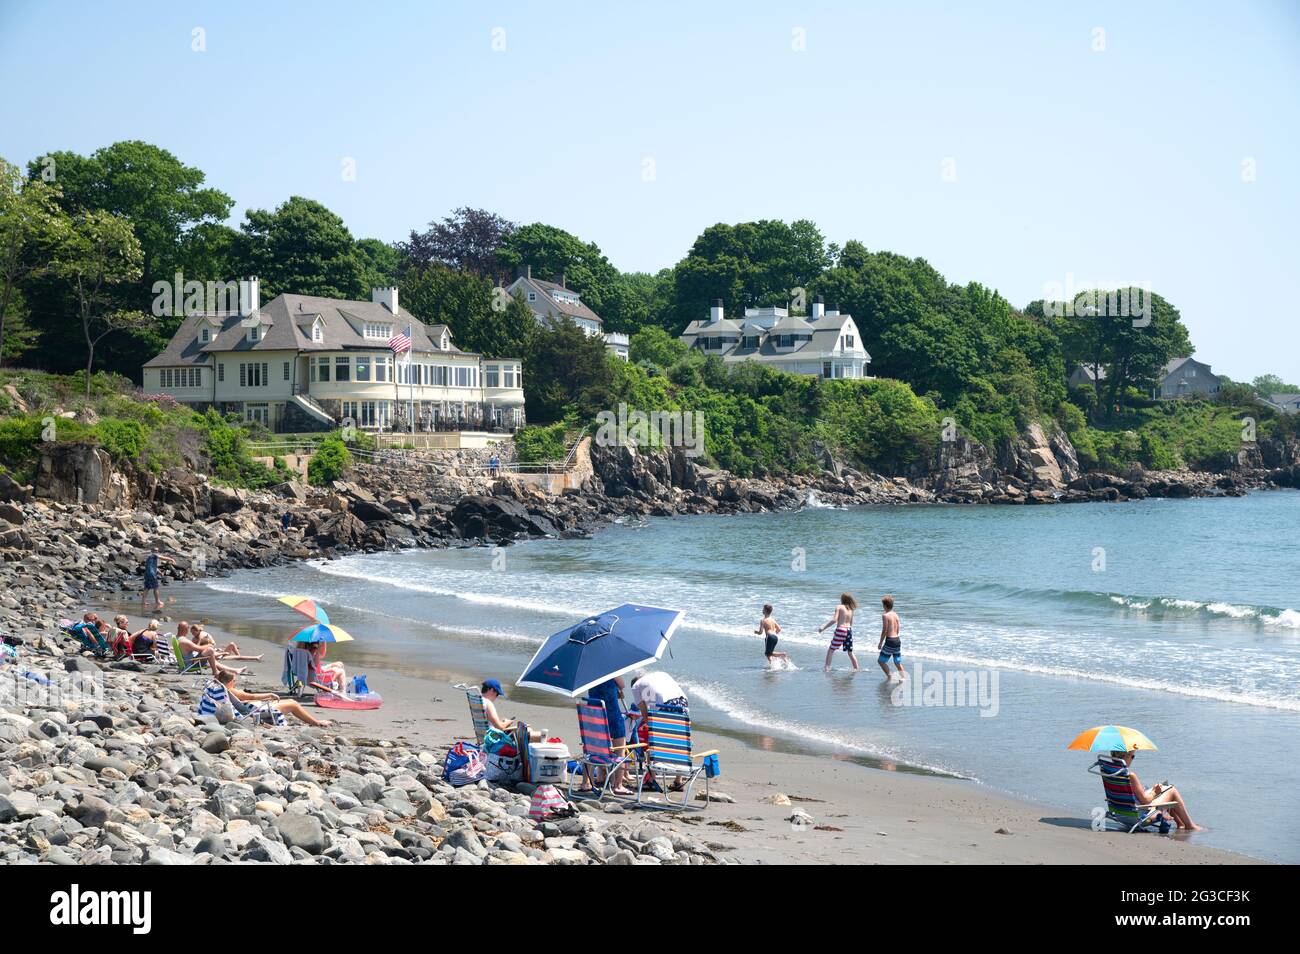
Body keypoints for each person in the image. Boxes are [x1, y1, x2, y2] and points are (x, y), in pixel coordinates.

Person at [198, 669, 332, 727]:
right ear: (230, 682)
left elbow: (245, 699)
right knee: (293, 704)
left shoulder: (218, 688)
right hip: (254, 711)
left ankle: (315, 721)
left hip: (247, 707)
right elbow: (251, 696)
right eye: (234, 680)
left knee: (290, 702)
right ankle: (316, 722)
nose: (236, 682)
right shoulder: (231, 690)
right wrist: (269, 695)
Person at [1113, 748, 1202, 830]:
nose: (1132, 759)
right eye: (1132, 756)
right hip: (1136, 817)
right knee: (1171, 790)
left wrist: (1153, 791)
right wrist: (1155, 792)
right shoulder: (1130, 776)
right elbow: (1145, 801)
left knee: (1164, 788)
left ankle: (1180, 824)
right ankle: (1190, 826)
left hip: (1120, 814)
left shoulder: (1111, 772)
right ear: (1126, 756)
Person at [582, 676, 630, 794]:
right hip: (612, 715)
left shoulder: (590, 675)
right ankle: (618, 785)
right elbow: (622, 685)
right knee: (620, 749)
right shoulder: (611, 670)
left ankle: (586, 782)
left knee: (591, 748)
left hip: (594, 715)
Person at [480, 679, 546, 742]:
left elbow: (491, 723)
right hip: (493, 738)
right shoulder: (488, 703)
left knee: (528, 730)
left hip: (486, 735)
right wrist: (508, 722)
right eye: (497, 694)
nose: (496, 697)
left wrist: (503, 723)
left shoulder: (479, 701)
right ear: (491, 690)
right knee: (538, 735)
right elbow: (500, 727)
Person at [819, 593, 859, 671]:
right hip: (849, 630)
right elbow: (851, 623)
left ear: (842, 599)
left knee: (831, 650)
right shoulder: (851, 609)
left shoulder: (839, 607)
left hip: (841, 630)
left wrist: (823, 627)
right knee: (850, 652)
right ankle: (856, 669)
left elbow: (834, 620)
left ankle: (826, 668)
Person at [877, 595, 905, 680]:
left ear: (885, 606)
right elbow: (898, 628)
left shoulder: (885, 615)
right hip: (897, 640)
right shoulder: (895, 614)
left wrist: (880, 642)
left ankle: (890, 676)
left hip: (890, 641)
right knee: (897, 661)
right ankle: (903, 678)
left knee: (881, 661)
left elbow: (884, 629)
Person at [755, 604, 791, 669]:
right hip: (775, 637)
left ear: (765, 611)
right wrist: (774, 633)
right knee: (770, 653)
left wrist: (756, 632)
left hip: (769, 637)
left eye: (763, 609)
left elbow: (760, 632)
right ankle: (775, 665)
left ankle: (782, 655)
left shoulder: (763, 620)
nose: (762, 610)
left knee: (768, 653)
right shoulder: (772, 619)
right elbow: (779, 629)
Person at [140, 550, 174, 614]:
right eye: (155, 550)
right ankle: (157, 601)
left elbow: (153, 567)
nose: (157, 551)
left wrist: (160, 572)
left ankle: (143, 601)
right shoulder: (153, 555)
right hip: (151, 574)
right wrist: (171, 559)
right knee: (156, 587)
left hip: (147, 574)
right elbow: (162, 557)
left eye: (157, 550)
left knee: (147, 587)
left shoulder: (150, 557)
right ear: (152, 551)